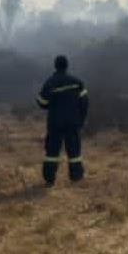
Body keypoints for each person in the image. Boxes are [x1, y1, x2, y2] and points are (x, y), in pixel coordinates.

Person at [36, 55, 88, 186]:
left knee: (52, 152)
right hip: (73, 122)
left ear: (55, 66)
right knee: (74, 151)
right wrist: (81, 119)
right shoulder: (77, 82)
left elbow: (42, 102)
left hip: (55, 123)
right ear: (67, 65)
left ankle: (49, 179)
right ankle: (76, 177)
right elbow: (84, 103)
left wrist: (51, 104)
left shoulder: (50, 83)